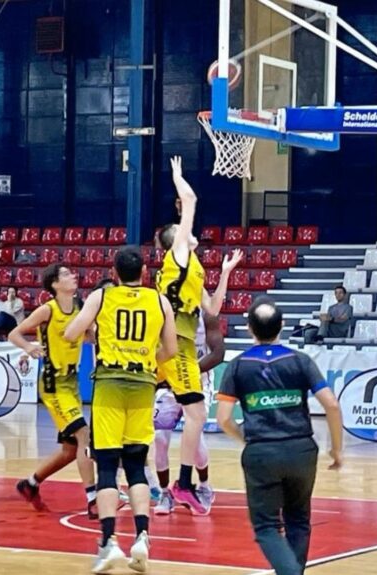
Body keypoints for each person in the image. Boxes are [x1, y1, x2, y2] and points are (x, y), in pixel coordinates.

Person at [65, 246, 177, 574]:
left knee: (108, 467)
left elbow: (71, 333)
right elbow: (170, 349)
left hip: (109, 384)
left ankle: (109, 542)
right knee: (136, 466)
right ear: (144, 272)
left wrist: (94, 333)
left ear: (113, 273)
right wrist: (143, 360)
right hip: (143, 385)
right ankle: (142, 537)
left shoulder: (101, 297)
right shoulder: (160, 301)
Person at [216, 297, 344, 575]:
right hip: (301, 449)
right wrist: (336, 449)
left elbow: (224, 419)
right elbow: (331, 405)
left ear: (249, 328)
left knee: (266, 527)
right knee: (298, 520)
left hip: (262, 451)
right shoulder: (300, 360)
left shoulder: (237, 366)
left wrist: (245, 440)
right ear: (282, 326)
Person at [155, 155, 243, 514]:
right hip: (175, 348)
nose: (187, 232)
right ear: (173, 241)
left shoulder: (192, 268)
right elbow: (189, 201)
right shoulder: (177, 256)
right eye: (180, 230)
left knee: (195, 416)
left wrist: (224, 273)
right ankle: (183, 485)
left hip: (180, 349)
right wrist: (177, 175)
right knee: (193, 416)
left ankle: (185, 484)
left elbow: (213, 309)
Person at [9, 264, 96, 516]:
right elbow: (14, 334)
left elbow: (88, 336)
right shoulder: (48, 309)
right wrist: (28, 348)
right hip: (53, 384)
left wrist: (95, 333)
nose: (73, 277)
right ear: (55, 284)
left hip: (71, 382)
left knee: (70, 450)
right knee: (84, 436)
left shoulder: (80, 307)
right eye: (66, 275)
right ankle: (92, 498)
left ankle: (31, 483)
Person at [154, 311, 224, 516]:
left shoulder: (206, 312)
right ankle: (165, 492)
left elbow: (218, 353)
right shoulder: (163, 308)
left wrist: (187, 375)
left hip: (199, 379)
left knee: (194, 437)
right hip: (168, 381)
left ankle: (203, 486)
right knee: (159, 437)